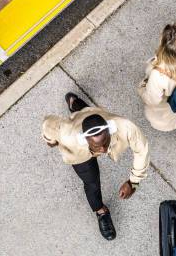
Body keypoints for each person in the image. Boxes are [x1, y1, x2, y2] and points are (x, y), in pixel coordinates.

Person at [42, 93, 150, 240]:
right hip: (80, 152)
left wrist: (134, 181)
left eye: (106, 143)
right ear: (85, 139)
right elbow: (48, 123)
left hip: (96, 116)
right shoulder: (68, 134)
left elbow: (142, 150)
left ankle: (75, 104)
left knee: (90, 113)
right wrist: (50, 139)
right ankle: (101, 212)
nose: (103, 150)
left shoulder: (123, 126)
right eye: (98, 147)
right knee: (91, 182)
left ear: (109, 129)